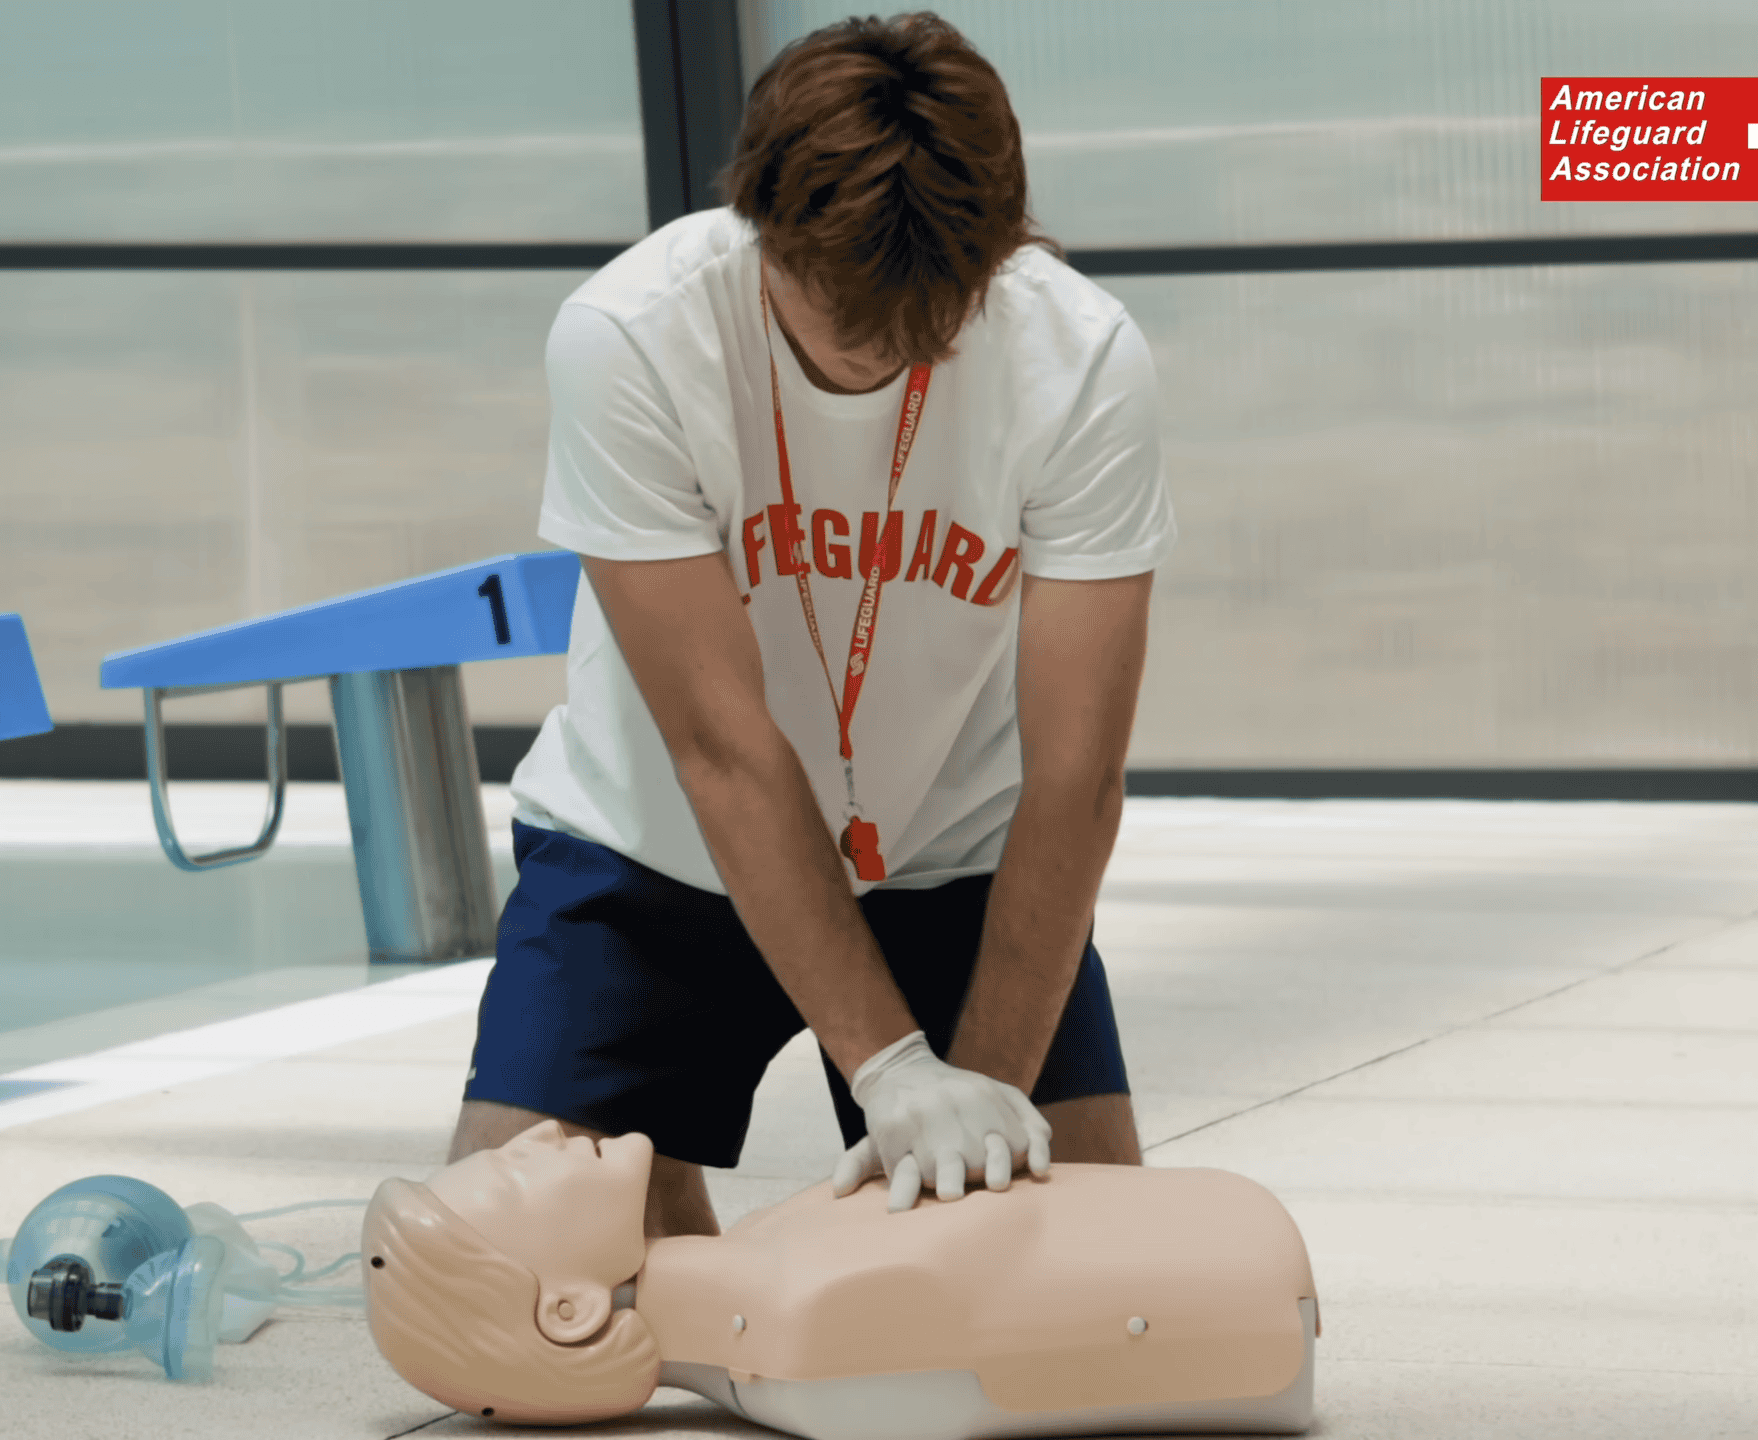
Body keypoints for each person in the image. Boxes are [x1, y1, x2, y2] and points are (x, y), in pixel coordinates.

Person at [455, 11, 1175, 1234]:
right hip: (659, 850)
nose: (884, 354)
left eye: (930, 321)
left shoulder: (1083, 354)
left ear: (998, 253)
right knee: (517, 1297)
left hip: (956, 857)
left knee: (1063, 1293)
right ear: (761, 232)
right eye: (844, 317)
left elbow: (1076, 776)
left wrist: (982, 1102)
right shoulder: (631, 336)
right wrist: (891, 1070)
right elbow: (720, 746)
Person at [362, 1120, 1319, 1436]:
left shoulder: (780, 1264)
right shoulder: (806, 1311)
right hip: (1253, 1266)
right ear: (567, 1310)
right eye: (514, 1171)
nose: (536, 1133)